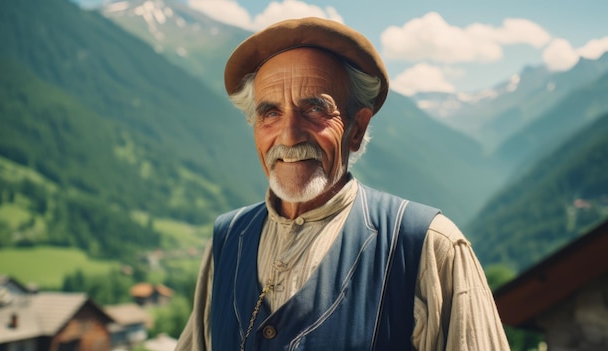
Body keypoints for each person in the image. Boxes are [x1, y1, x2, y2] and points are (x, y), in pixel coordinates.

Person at [175, 17, 510, 351]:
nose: (289, 135)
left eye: (314, 109)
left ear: (357, 128)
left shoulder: (431, 246)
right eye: (271, 113)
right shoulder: (227, 240)